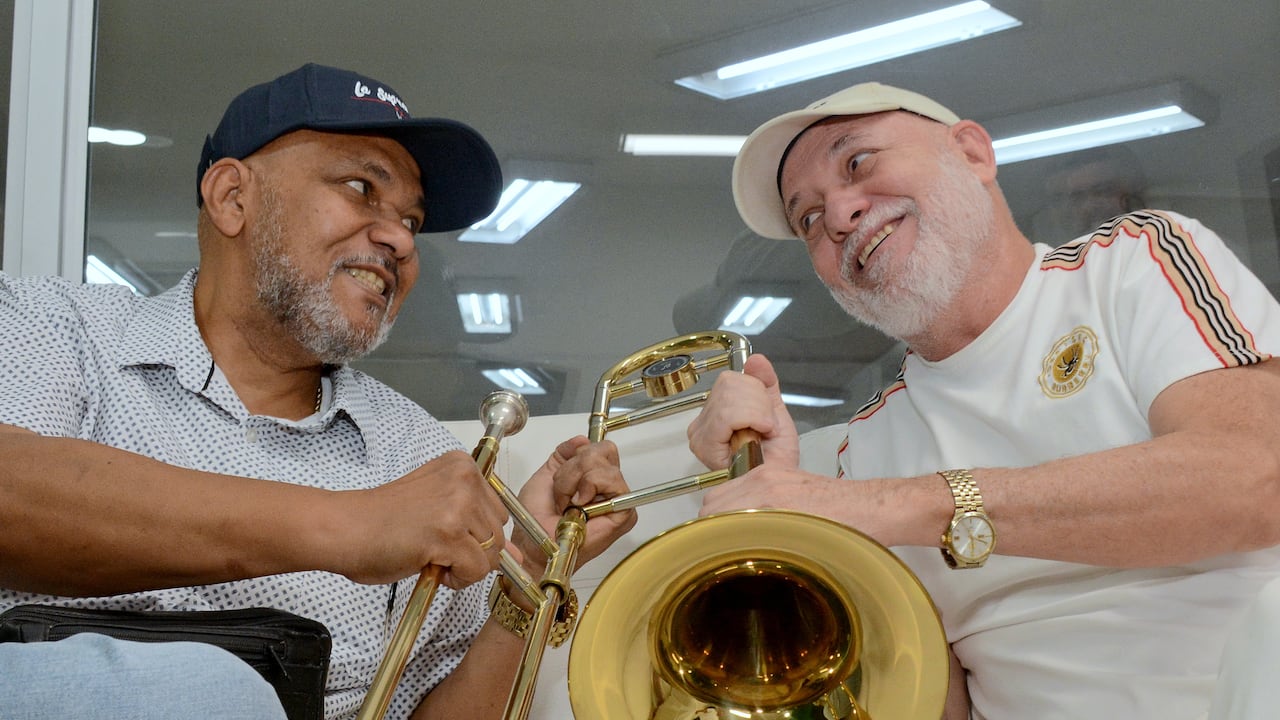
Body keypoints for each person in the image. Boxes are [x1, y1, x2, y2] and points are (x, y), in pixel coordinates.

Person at [0, 63, 636, 719]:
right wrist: (350, 525)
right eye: (361, 188)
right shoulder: (56, 326)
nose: (399, 240)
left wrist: (527, 575)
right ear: (231, 198)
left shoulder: (418, 454)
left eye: (413, 221)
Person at [686, 82, 1280, 720]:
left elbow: (1255, 479)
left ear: (971, 153)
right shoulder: (865, 449)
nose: (838, 216)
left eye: (858, 163)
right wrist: (780, 518)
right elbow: (934, 703)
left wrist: (896, 505)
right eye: (808, 218)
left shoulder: (1135, 259)